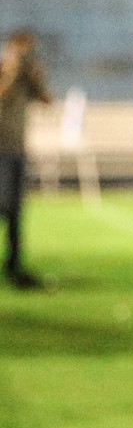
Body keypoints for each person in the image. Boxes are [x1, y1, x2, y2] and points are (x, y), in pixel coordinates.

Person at [0, 29, 52, 290]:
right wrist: (9, 73)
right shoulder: (4, 71)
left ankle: (14, 265)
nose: (25, 56)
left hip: (17, 150)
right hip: (1, 151)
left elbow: (46, 101)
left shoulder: (26, 78)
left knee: (16, 211)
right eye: (21, 50)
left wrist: (35, 78)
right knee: (4, 207)